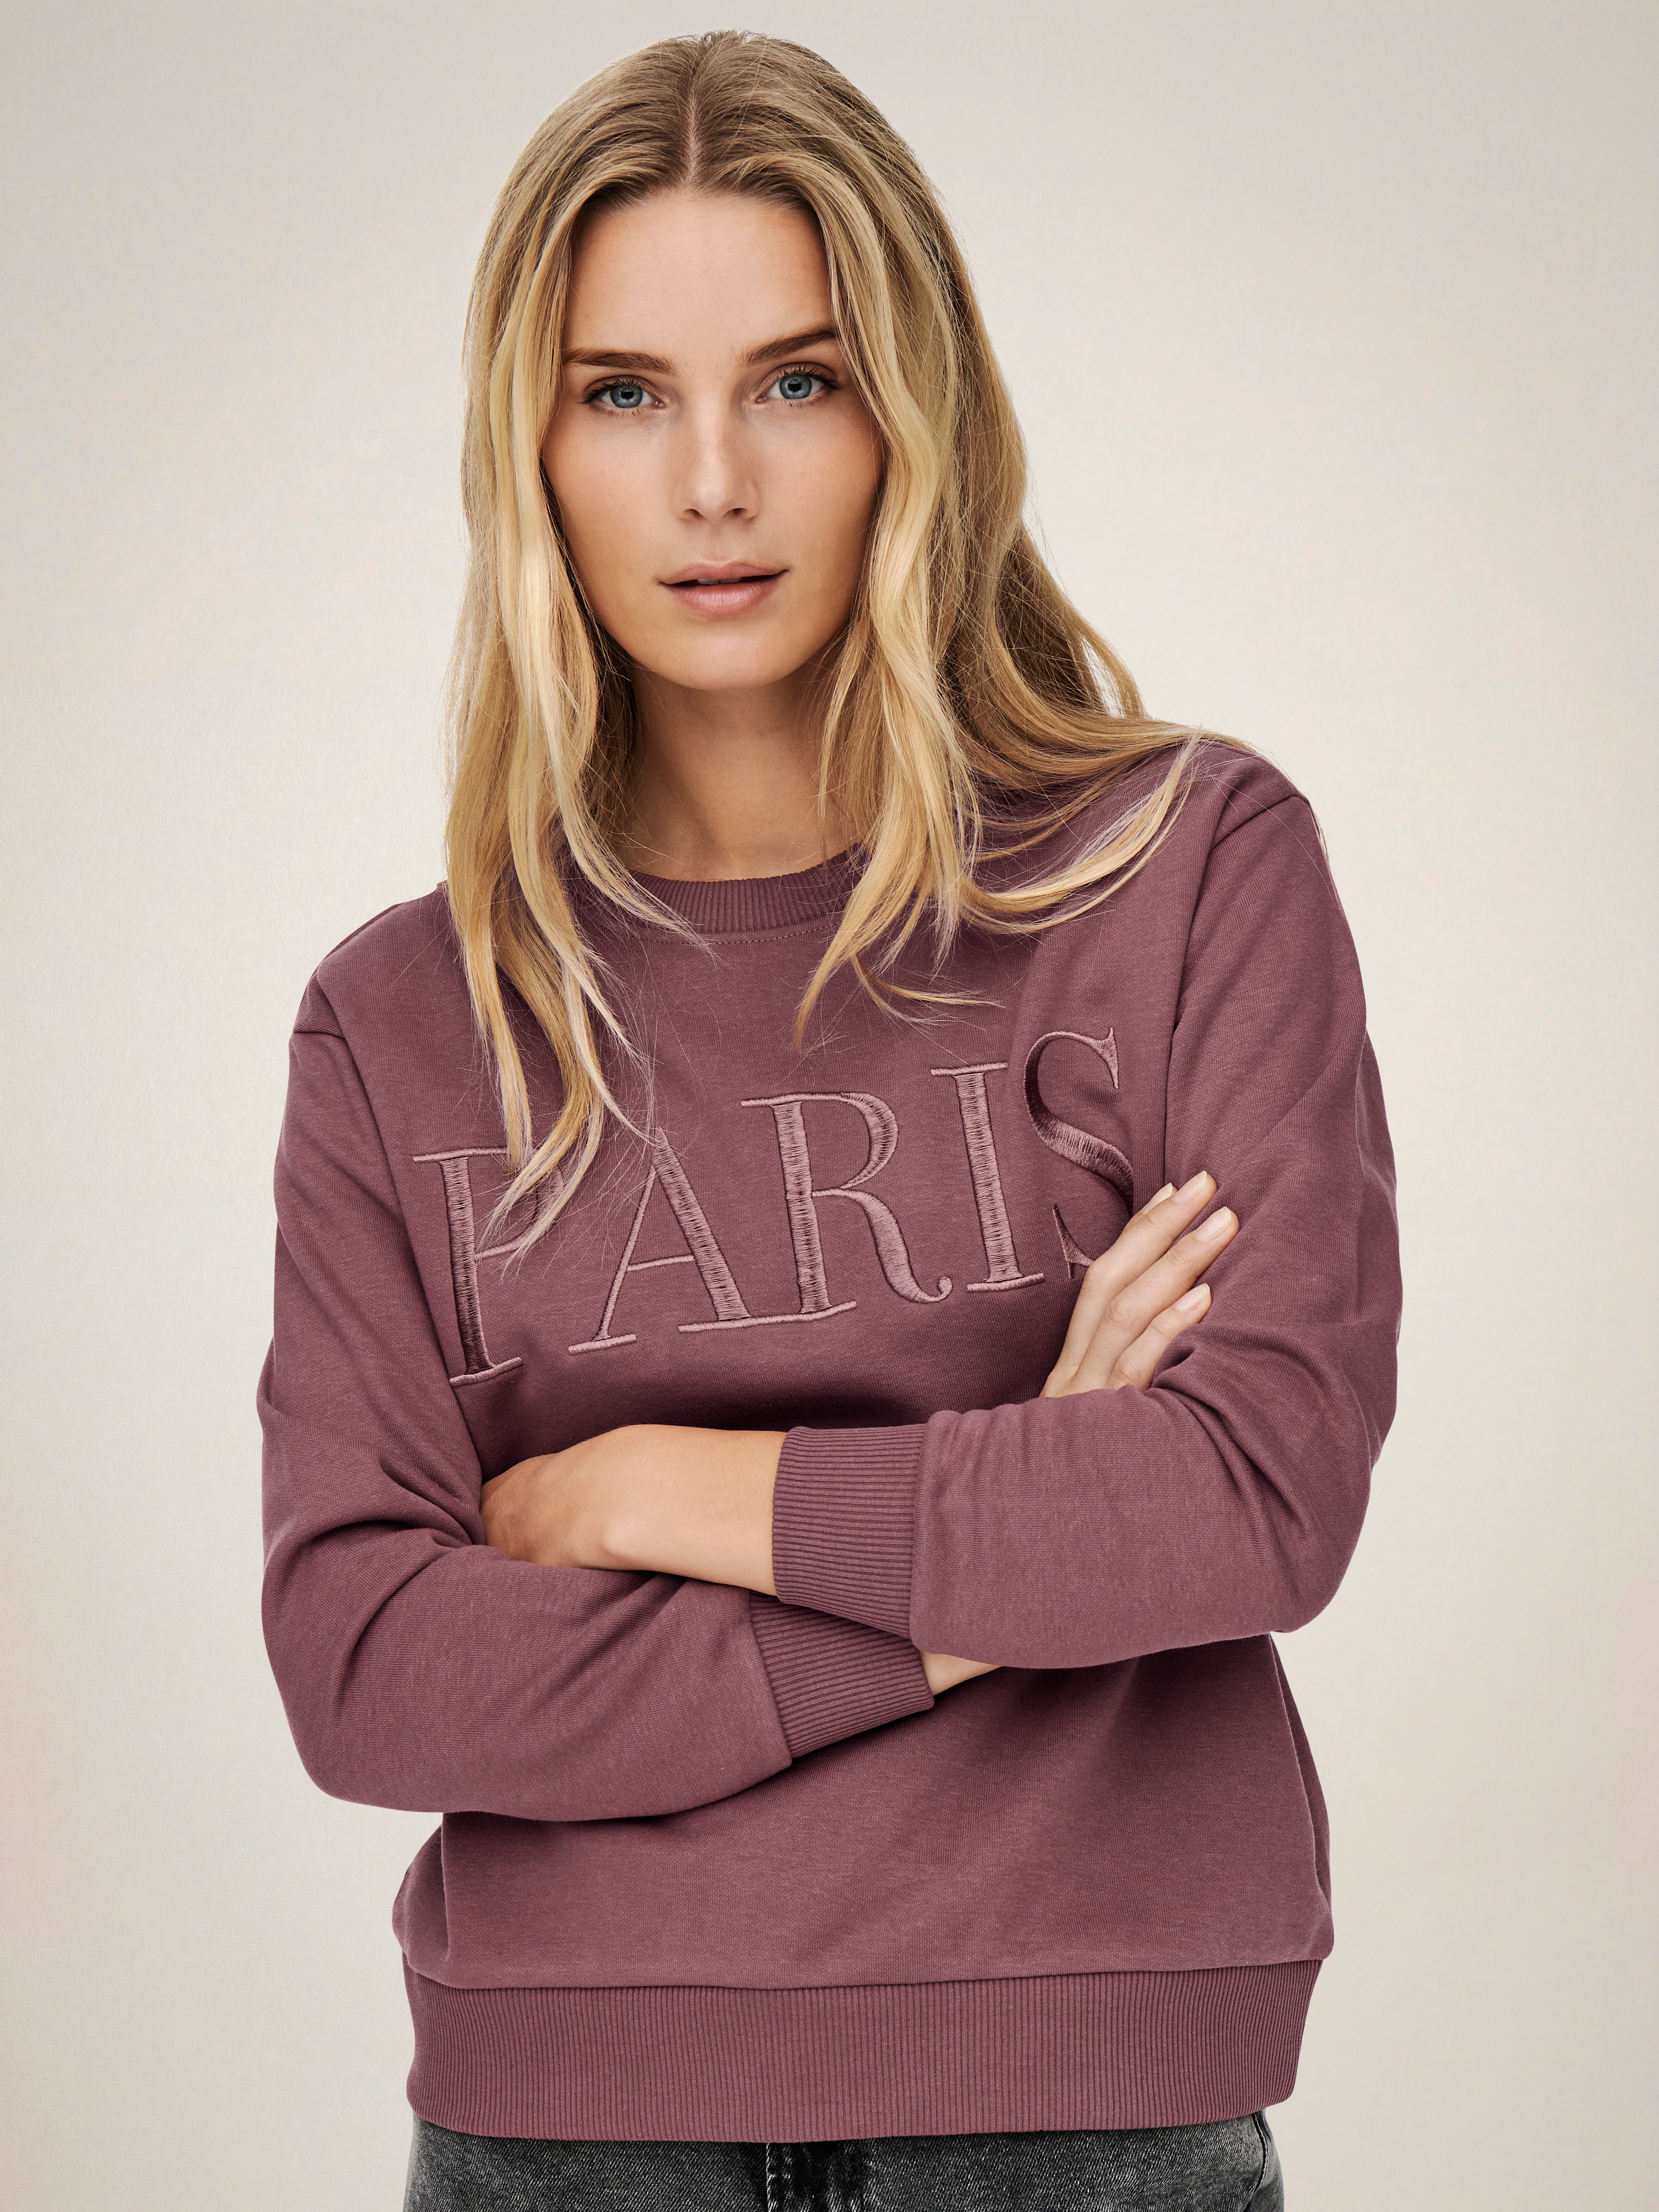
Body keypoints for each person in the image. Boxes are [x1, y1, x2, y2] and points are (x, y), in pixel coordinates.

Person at [257, 29, 1401, 2211]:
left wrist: (639, 1488)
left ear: (913, 417)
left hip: (1087, 2113)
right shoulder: (400, 1022)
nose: (713, 483)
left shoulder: (1184, 873)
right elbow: (372, 1668)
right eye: (622, 392)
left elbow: (1254, 1493)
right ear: (529, 448)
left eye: (797, 379)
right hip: (566, 2129)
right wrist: (1007, 1546)